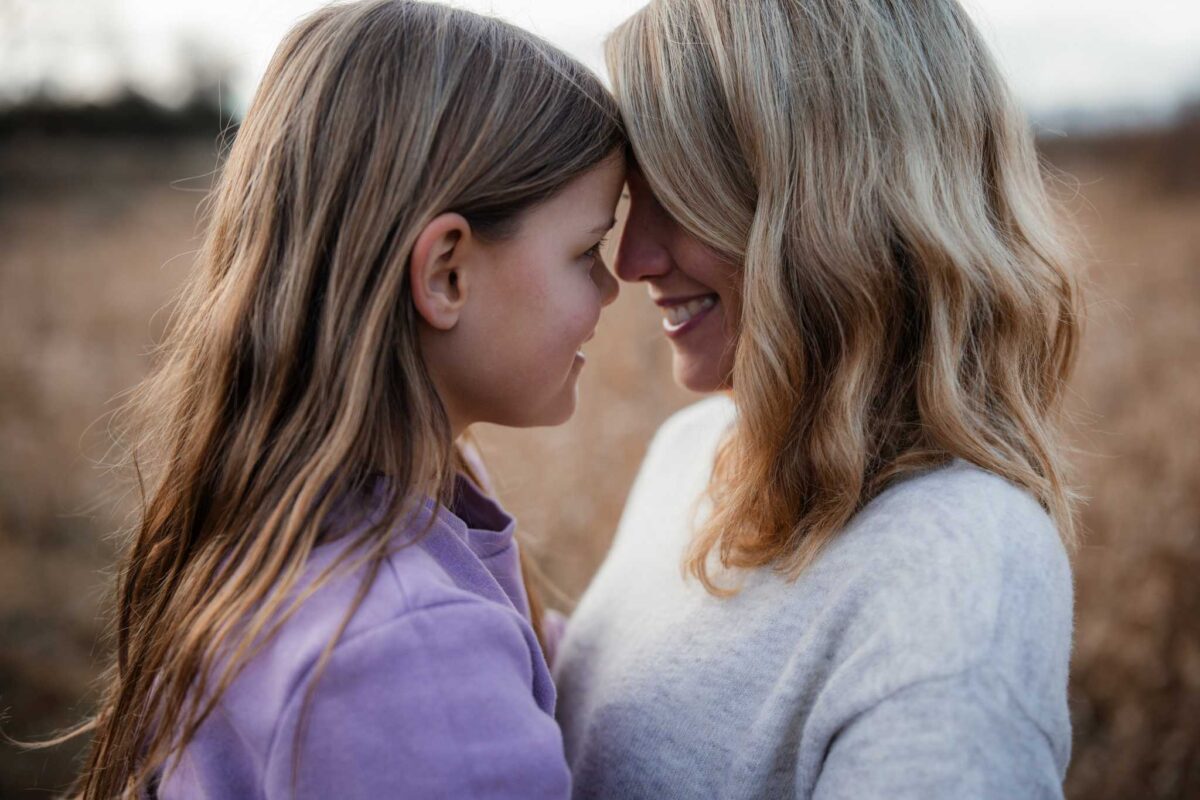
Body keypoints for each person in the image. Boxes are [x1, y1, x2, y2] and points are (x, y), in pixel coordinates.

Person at [66, 2, 623, 797]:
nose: (613, 285)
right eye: (587, 250)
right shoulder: (403, 651)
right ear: (445, 275)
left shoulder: (324, 510)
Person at [554, 0, 1082, 797]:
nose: (631, 259)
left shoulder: (961, 560)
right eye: (636, 195)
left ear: (830, 206)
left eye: (679, 193)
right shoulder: (696, 447)